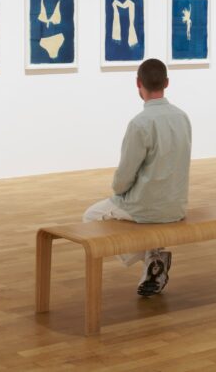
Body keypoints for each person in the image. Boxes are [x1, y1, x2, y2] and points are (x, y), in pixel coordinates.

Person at [83, 58, 191, 296]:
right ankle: (154, 257)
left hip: (145, 208)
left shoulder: (140, 123)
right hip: (177, 206)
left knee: (90, 216)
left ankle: (151, 257)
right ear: (167, 83)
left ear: (138, 83)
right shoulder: (183, 117)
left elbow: (124, 177)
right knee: (142, 216)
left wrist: (118, 191)